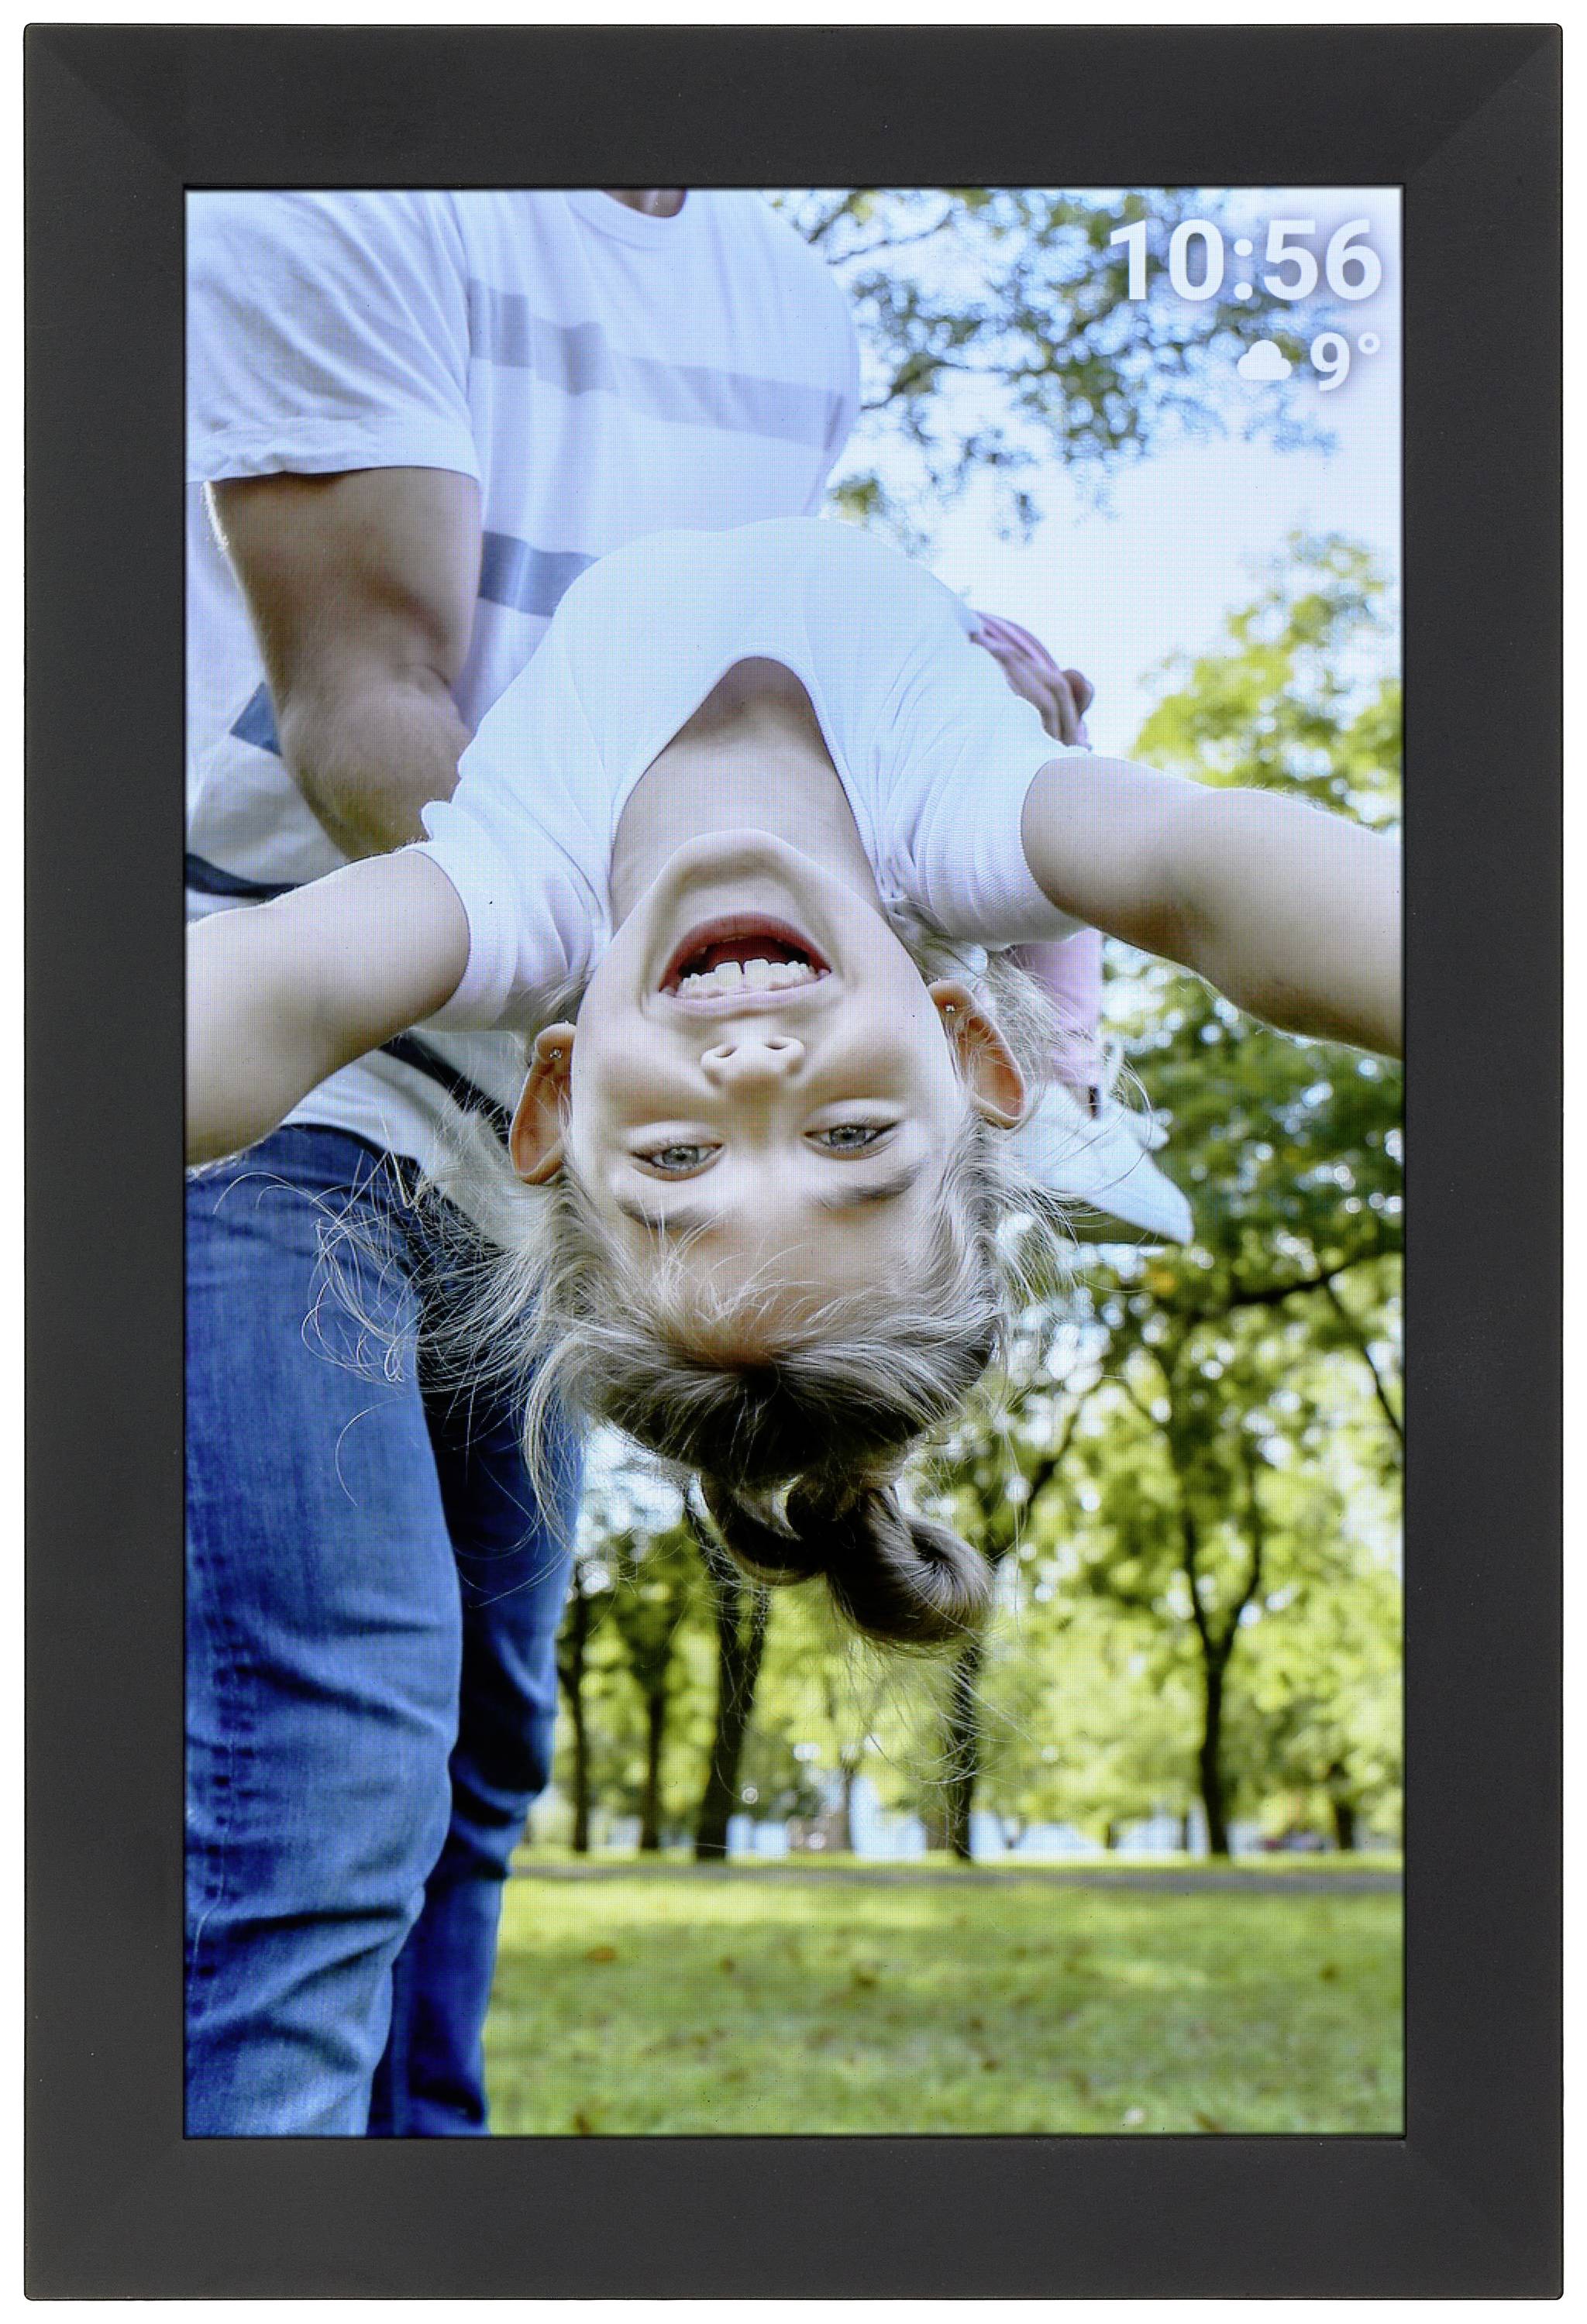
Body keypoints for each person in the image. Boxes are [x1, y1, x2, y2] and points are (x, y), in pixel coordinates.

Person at [188, 517, 1402, 1653]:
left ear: (555, 1100)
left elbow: (260, 1001)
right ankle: (1070, 1081)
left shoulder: (521, 885)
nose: (757, 1073)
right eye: (853, 1135)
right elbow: (1207, 877)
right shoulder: (968, 811)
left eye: (675, 1157)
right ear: (967, 1051)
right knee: (1077, 870)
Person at [184, 187, 865, 2138]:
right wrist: (704, 920)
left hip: (539, 1121)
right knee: (324, 1761)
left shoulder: (799, 313)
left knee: (484, 1755)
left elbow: (715, 685)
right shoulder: (351, 174)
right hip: (273, 1046)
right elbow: (367, 703)